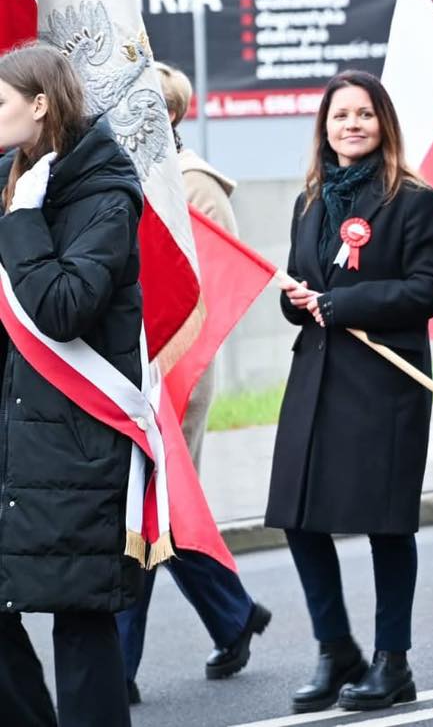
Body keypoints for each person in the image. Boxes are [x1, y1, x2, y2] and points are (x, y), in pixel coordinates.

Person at [267, 70, 433, 712]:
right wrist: (298, 301)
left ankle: (391, 662)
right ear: (324, 126)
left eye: (364, 115)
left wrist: (341, 303)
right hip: (316, 378)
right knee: (295, 516)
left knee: (385, 526)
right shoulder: (309, 201)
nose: (351, 125)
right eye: (340, 115)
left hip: (384, 382)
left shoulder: (413, 199)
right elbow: (306, 289)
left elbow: (432, 288)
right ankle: (335, 648)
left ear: (384, 125)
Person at [115, 62, 271, 706]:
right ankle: (233, 614)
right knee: (159, 514)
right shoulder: (127, 176)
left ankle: (117, 667)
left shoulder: (194, 185)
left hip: (174, 371)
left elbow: (210, 294)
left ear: (166, 116)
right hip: (128, 371)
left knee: (146, 515)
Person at [0, 43, 145, 726]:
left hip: (77, 440)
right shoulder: (10, 174)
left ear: (39, 104)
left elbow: (63, 309)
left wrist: (24, 222)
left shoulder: (106, 193)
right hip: (14, 432)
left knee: (80, 621)